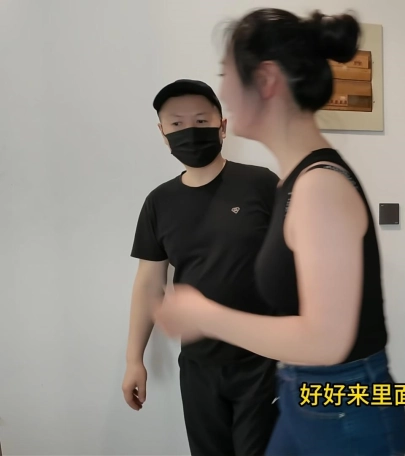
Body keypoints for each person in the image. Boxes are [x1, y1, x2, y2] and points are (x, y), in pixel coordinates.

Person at [152, 9, 405, 456]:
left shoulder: (318, 186)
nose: (224, 92)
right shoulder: (293, 180)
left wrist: (203, 315)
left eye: (227, 75)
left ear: (266, 80)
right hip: (306, 395)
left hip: (345, 409)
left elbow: (325, 341)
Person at [123, 79, 280, 456]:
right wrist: (133, 359)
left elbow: (296, 263)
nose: (189, 131)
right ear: (163, 133)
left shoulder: (261, 184)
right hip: (198, 365)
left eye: (200, 120)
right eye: (176, 124)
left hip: (263, 359)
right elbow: (149, 284)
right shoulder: (159, 202)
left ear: (222, 126)